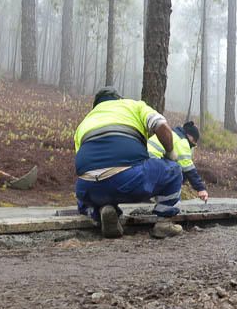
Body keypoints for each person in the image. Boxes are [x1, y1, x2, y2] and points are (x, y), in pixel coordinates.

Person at [74, 86, 183, 239]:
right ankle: (164, 222)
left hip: (89, 188)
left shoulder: (84, 123)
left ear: (96, 105)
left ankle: (101, 211)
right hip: (129, 180)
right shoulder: (133, 106)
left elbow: (81, 166)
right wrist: (170, 152)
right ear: (119, 99)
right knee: (174, 170)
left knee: (83, 199)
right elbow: (161, 126)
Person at [147, 121, 209, 202]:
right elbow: (188, 169)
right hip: (154, 162)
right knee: (176, 173)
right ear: (190, 136)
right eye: (194, 142)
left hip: (145, 161)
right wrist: (201, 189)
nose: (193, 145)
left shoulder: (173, 133)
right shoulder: (182, 141)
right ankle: (172, 203)